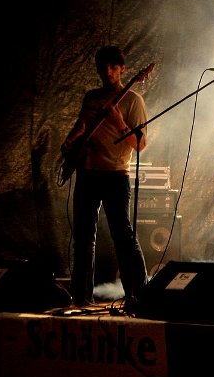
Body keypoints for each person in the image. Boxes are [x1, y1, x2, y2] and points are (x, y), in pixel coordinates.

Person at [61, 45, 150, 308]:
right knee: (83, 237)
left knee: (123, 235)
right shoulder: (91, 97)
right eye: (103, 67)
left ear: (122, 69)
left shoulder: (133, 100)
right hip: (87, 173)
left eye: (113, 67)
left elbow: (140, 144)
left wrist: (119, 121)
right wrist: (71, 141)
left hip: (115, 175)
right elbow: (82, 125)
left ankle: (140, 296)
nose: (108, 72)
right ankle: (81, 297)